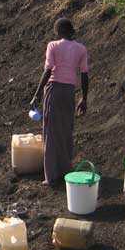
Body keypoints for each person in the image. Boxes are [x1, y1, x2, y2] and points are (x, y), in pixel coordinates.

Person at [29, 18, 89, 186]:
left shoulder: (53, 46)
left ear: (58, 31)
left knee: (50, 131)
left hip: (54, 90)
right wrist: (84, 98)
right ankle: (65, 169)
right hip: (69, 92)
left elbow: (48, 70)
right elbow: (84, 74)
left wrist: (37, 94)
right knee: (65, 129)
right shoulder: (81, 49)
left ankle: (51, 175)